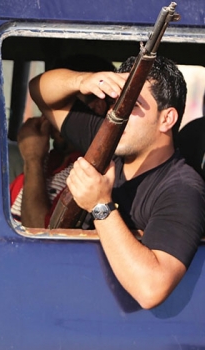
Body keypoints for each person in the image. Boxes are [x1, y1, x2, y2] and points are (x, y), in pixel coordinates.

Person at [29, 55, 205, 309]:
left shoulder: (182, 190)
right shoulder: (108, 140)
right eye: (115, 103)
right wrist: (83, 81)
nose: (115, 114)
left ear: (167, 119)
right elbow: (39, 91)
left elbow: (151, 290)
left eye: (130, 105)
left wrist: (100, 206)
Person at [11, 55, 114, 228]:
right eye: (46, 107)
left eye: (61, 106)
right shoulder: (47, 163)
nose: (48, 117)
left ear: (97, 107)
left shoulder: (88, 173)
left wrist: (33, 160)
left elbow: (40, 233)